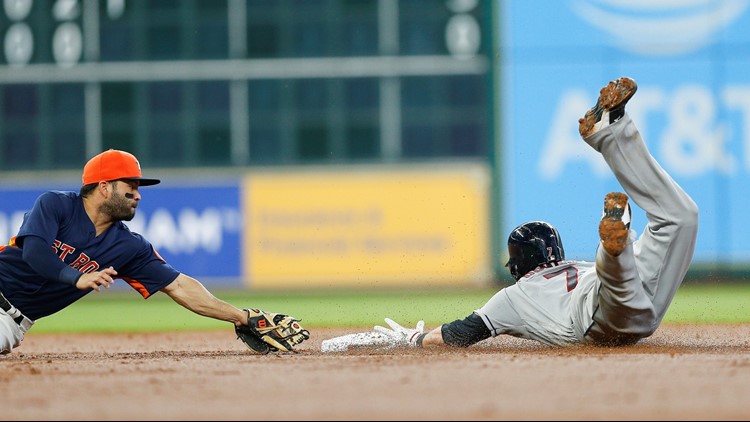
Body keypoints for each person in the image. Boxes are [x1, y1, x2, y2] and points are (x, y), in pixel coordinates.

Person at [332, 76, 699, 351]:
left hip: (597, 316)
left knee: (617, 286)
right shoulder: (572, 267)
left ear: (516, 266)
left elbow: (460, 334)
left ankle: (615, 249)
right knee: (680, 218)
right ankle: (612, 136)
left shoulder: (513, 297)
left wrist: (415, 339)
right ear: (554, 250)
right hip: (612, 290)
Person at [0, 149, 308, 354]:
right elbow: (35, 252)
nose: (137, 195)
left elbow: (179, 285)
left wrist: (242, 317)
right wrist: (75, 276)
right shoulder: (55, 205)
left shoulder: (129, 247)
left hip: (10, 323)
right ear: (104, 187)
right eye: (130, 186)